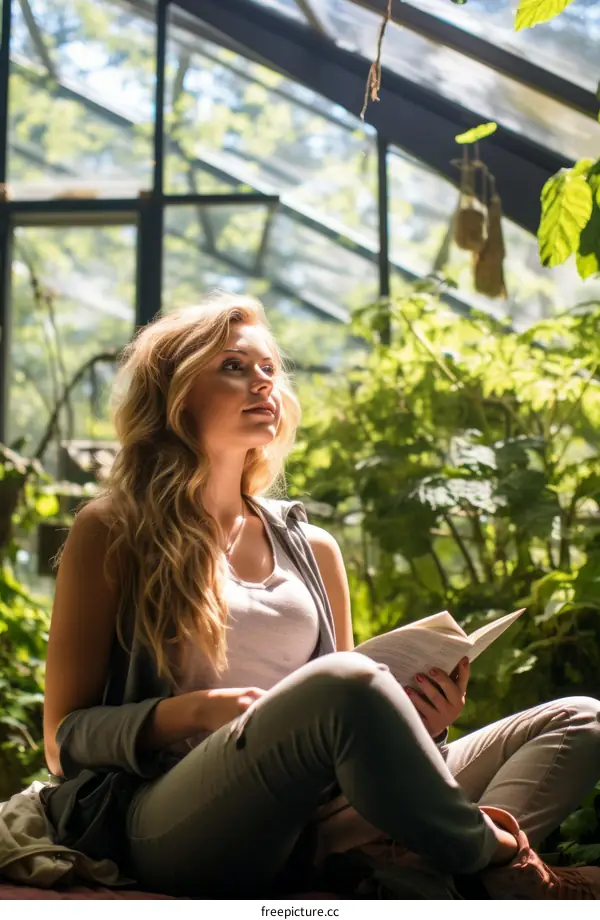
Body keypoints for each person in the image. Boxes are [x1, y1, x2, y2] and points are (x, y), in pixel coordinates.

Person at [41, 293, 600, 899]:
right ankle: (497, 856)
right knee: (347, 680)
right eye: (234, 367)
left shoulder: (313, 547)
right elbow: (61, 740)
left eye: (269, 369)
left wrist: (423, 724)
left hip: (319, 812)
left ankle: (450, 878)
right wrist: (194, 711)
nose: (263, 383)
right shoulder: (114, 531)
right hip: (171, 819)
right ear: (173, 395)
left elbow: (350, 715)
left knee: (580, 720)